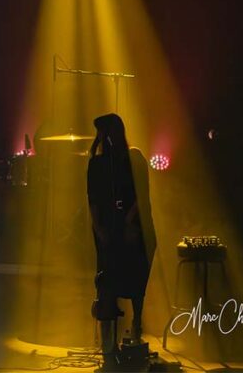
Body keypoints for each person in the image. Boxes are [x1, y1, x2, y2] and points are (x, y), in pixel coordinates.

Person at [87, 113, 156, 356]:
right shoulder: (96, 163)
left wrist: (129, 222)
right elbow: (93, 199)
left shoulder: (132, 159)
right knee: (108, 281)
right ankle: (109, 342)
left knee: (135, 276)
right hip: (108, 227)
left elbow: (141, 195)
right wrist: (99, 228)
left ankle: (136, 324)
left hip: (130, 226)